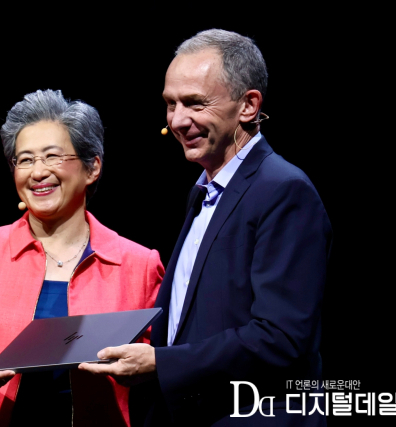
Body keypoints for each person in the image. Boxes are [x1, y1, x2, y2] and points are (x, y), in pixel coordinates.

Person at [78, 29, 333, 426]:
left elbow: (281, 338)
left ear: (249, 105)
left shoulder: (284, 191)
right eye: (170, 104)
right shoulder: (205, 191)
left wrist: (162, 363)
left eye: (195, 103)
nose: (178, 121)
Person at [0, 89, 164, 427]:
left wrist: (147, 367)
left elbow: (163, 366)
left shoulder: (139, 264)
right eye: (24, 159)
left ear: (92, 166)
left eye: (52, 156)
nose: (37, 172)